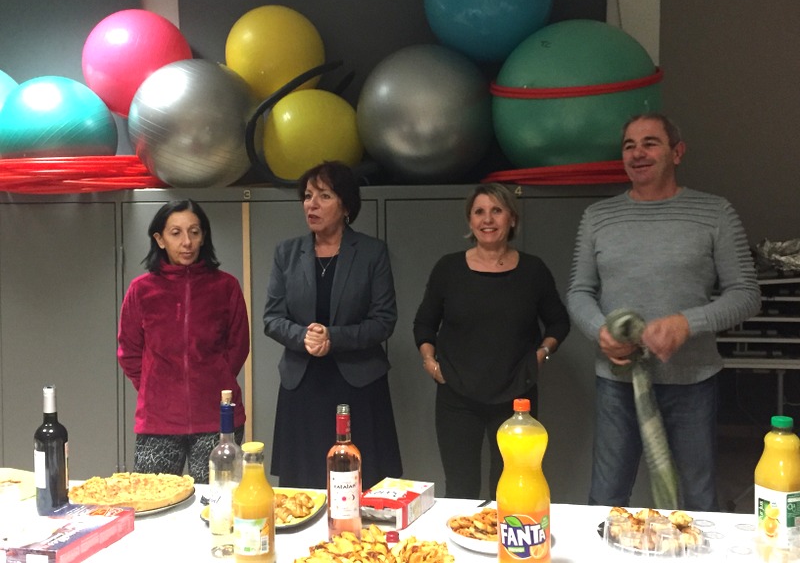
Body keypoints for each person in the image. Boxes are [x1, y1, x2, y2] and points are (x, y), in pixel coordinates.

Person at [566, 113, 761, 511]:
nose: (638, 153)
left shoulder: (715, 212)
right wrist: (600, 330)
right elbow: (579, 291)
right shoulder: (598, 217)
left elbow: (746, 294)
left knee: (698, 501)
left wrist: (688, 322)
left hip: (692, 381)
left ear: (677, 152)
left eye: (650, 143)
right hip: (618, 382)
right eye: (629, 146)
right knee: (606, 499)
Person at [413, 183, 570, 499]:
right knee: (461, 488)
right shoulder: (448, 269)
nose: (488, 219)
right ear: (470, 220)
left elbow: (559, 322)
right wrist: (430, 363)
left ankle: (506, 534)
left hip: (516, 399)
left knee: (512, 487)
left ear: (512, 219)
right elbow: (424, 324)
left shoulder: (533, 270)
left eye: (497, 210)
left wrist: (541, 353)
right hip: (457, 397)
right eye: (479, 212)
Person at [264, 160, 402, 489]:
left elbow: (383, 321)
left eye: (324, 196)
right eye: (307, 196)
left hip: (358, 385)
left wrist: (333, 337)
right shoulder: (287, 252)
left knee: (360, 482)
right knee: (304, 484)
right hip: (302, 384)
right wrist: (303, 336)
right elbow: (272, 318)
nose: (311, 204)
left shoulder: (371, 252)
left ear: (346, 206)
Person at [118, 199, 250, 483]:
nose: (187, 242)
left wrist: (215, 378)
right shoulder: (141, 290)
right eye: (175, 233)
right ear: (160, 239)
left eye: (194, 232)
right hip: (158, 421)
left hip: (217, 419)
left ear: (204, 236)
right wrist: (154, 385)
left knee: (217, 501)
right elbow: (128, 351)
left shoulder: (226, 286)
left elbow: (238, 346)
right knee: (154, 501)